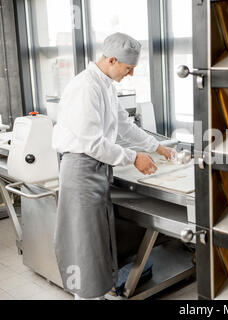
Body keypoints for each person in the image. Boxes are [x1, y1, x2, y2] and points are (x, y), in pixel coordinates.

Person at [52, 32, 174, 300]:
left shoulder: (106, 85)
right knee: (84, 245)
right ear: (111, 60)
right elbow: (93, 143)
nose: (130, 74)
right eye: (128, 69)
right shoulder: (85, 87)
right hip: (81, 171)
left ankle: (98, 293)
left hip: (96, 171)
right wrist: (134, 158)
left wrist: (156, 146)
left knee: (98, 243)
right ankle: (86, 296)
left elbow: (124, 126)